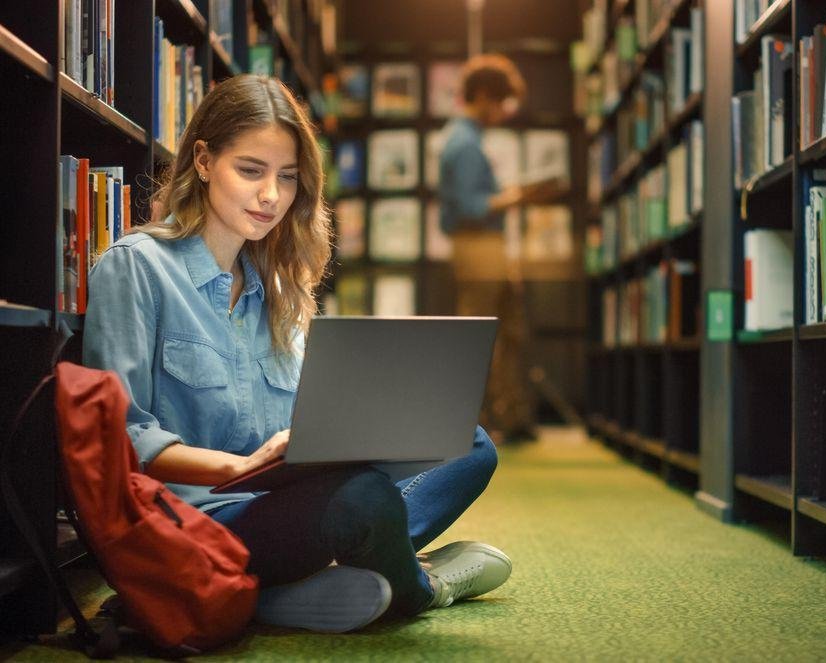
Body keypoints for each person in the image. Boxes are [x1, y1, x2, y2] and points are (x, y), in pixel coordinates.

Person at [82, 74, 511, 634]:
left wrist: (362, 431)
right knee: (363, 501)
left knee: (468, 444)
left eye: (287, 178)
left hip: (285, 506)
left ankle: (273, 590)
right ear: (205, 161)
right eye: (251, 171)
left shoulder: (280, 288)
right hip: (194, 524)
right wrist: (239, 467)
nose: (271, 197)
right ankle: (423, 587)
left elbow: (307, 429)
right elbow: (122, 440)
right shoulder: (136, 266)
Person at [439, 53, 560, 444]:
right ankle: (481, 423)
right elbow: (473, 207)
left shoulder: (464, 140)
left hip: (484, 247)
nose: (505, 112)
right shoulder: (464, 143)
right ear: (487, 96)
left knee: (505, 332)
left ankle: (505, 417)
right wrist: (522, 196)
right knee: (485, 336)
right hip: (478, 246)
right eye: (503, 101)